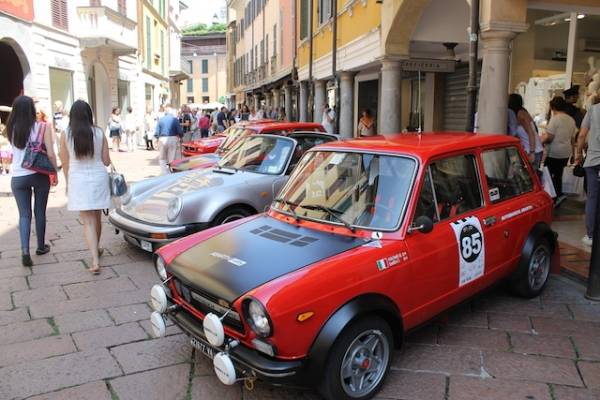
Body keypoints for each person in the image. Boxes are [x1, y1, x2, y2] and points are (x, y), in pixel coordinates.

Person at [5, 96, 58, 266]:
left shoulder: (11, 128)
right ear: (30, 110)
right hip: (39, 174)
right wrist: (55, 170)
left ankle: (25, 251)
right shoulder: (43, 127)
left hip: (18, 177)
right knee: (40, 212)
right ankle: (41, 246)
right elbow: (50, 153)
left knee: (24, 214)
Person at [60, 100, 111, 274]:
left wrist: (67, 184)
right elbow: (106, 161)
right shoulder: (99, 132)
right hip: (98, 178)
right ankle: (97, 249)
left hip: (78, 179)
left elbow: (65, 162)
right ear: (90, 114)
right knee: (97, 216)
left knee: (87, 221)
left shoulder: (66, 134)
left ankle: (95, 260)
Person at [542, 97, 577, 205]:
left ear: (553, 107)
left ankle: (553, 197)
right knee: (558, 174)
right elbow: (572, 139)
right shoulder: (571, 119)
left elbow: (550, 138)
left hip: (554, 152)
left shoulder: (555, 119)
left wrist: (542, 139)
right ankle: (559, 194)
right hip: (566, 152)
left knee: (548, 175)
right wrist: (573, 154)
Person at [576, 100, 600, 247]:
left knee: (592, 197)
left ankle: (590, 235)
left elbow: (581, 135)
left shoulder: (593, 110)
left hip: (593, 161)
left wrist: (578, 153)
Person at [508, 94, 543, 168]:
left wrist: (532, 152)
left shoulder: (521, 114)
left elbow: (531, 133)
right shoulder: (517, 114)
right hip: (528, 151)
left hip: (534, 151)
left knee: (533, 175)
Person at [155, 104, 183, 174]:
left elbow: (156, 132)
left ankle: (165, 173)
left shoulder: (161, 120)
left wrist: (156, 139)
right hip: (172, 138)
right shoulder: (175, 120)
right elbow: (179, 131)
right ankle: (171, 172)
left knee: (162, 157)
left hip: (162, 138)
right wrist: (181, 136)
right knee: (172, 157)